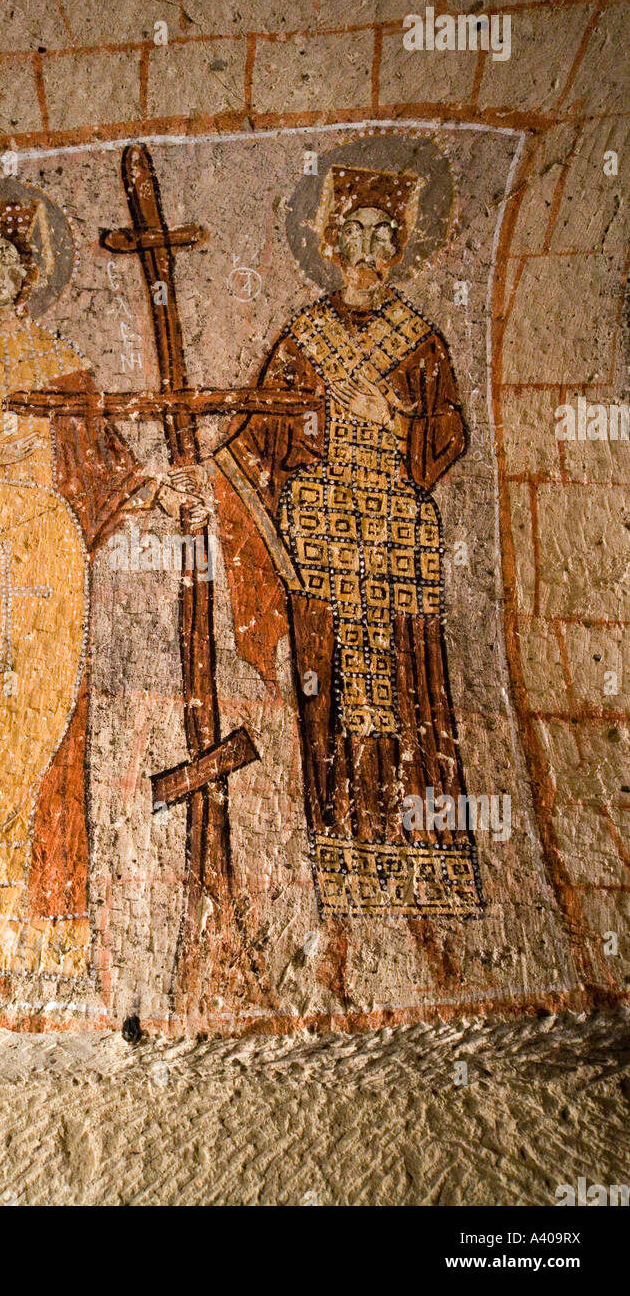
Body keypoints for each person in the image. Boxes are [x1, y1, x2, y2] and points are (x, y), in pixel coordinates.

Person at [0, 194, 201, 978]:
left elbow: (102, 460)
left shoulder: (59, 363)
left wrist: (160, 494)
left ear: (30, 271)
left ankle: (42, 929)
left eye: (7, 258)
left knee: (50, 710)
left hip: (50, 543)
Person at [213, 165, 484, 961]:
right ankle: (341, 888)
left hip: (398, 540)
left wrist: (391, 421)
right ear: (329, 246)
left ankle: (429, 892)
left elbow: (447, 438)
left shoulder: (421, 341)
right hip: (324, 543)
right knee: (328, 702)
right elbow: (254, 443)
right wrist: (202, 483)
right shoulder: (302, 340)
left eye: (382, 236)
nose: (367, 251)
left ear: (400, 249)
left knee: (411, 699)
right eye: (353, 235)